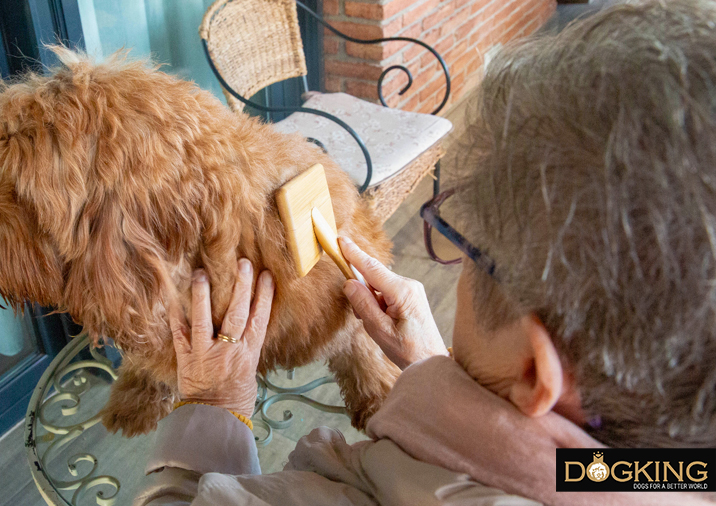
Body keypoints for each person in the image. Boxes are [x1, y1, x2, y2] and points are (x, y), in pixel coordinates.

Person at [135, 1, 716, 504]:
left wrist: (212, 410)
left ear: (537, 370)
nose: (458, 258)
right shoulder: (673, 474)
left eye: (469, 244)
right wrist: (443, 370)